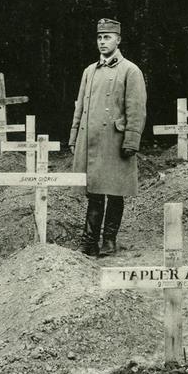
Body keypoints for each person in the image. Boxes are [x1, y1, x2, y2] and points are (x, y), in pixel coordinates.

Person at [69, 18, 147, 257]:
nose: (102, 42)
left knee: (114, 191)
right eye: (99, 37)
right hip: (90, 140)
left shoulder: (130, 70)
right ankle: (89, 241)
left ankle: (109, 241)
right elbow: (80, 107)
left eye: (108, 37)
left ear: (118, 40)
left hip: (114, 140)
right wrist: (74, 137)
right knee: (93, 192)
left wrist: (131, 140)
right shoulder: (89, 71)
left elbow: (136, 109)